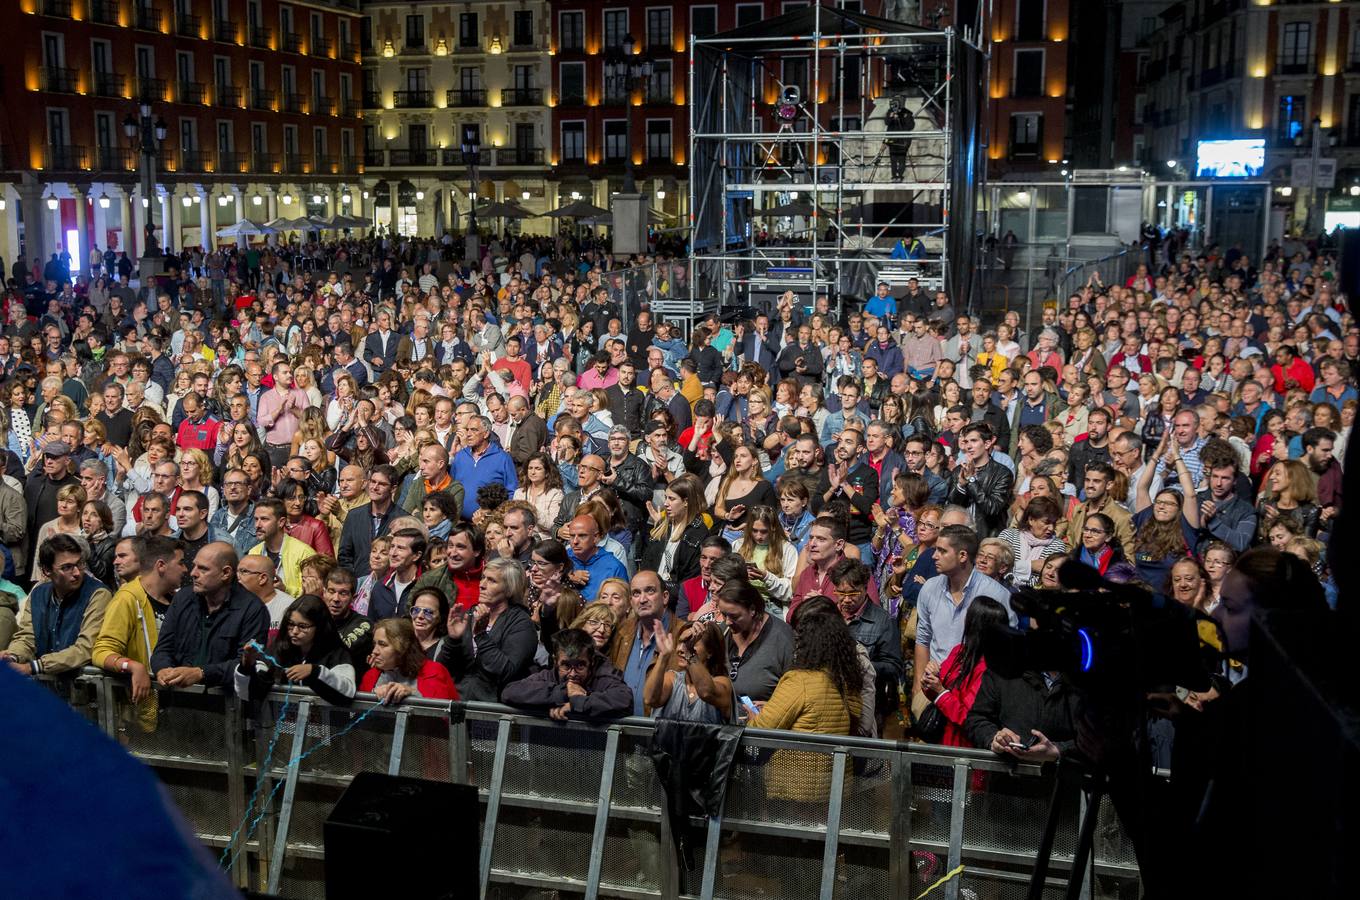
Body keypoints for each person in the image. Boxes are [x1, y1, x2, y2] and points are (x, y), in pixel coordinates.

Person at [748, 605, 864, 801]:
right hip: (834, 789)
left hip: (796, 789)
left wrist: (754, 716)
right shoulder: (847, 680)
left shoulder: (799, 680)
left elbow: (763, 729)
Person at [912, 525, 1015, 702]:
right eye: (936, 549)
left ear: (962, 556)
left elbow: (1007, 649)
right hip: (933, 687)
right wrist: (918, 687)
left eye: (942, 551)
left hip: (974, 693)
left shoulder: (997, 595)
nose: (934, 556)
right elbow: (923, 638)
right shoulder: (929, 588)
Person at [150, 542, 269, 688]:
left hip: (226, 704)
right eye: (194, 565)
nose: (193, 573)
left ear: (226, 573)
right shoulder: (183, 599)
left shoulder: (252, 609)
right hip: (178, 700)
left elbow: (246, 664)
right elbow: (163, 648)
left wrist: (202, 673)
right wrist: (162, 669)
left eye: (203, 569)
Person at [0, 535, 112, 676]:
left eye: (80, 564)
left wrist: (35, 666)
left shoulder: (98, 594)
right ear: (47, 570)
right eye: (67, 567)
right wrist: (13, 656)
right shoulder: (38, 594)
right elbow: (27, 638)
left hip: (84, 689)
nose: (77, 573)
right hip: (47, 687)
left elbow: (85, 648)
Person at [434, 557, 537, 700]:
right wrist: (453, 640)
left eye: (492, 581)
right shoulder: (469, 615)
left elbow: (506, 671)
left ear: (509, 589)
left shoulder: (521, 623)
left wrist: (481, 635)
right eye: (483, 578)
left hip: (492, 711)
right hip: (456, 703)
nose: (482, 585)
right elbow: (441, 669)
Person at [235, 595, 356, 706]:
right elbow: (248, 694)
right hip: (282, 727)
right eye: (291, 624)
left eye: (303, 626)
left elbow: (347, 693)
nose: (294, 631)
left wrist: (314, 672)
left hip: (327, 727)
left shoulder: (337, 653)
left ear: (319, 627)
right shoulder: (277, 650)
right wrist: (247, 665)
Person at [829, 559, 903, 727]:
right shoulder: (829, 615)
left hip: (866, 704)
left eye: (853, 594)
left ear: (865, 587)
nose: (846, 600)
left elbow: (893, 667)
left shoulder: (882, 620)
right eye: (840, 593)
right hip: (831, 701)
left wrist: (860, 665)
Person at [503, 627, 633, 720]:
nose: (572, 673)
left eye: (580, 665)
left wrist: (576, 704)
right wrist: (563, 692)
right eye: (566, 665)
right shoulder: (548, 676)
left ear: (591, 662)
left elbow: (624, 699)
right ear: (555, 662)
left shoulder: (603, 676)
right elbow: (510, 692)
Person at [611, 569, 689, 715]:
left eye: (650, 591)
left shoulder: (683, 634)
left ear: (665, 597)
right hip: (621, 728)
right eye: (636, 593)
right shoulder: (621, 633)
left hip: (662, 731)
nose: (642, 599)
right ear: (630, 601)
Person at [718, 577, 795, 704]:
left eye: (734, 616)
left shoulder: (783, 639)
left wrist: (774, 707)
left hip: (763, 720)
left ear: (752, 610)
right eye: (724, 614)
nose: (727, 622)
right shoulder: (722, 632)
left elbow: (796, 692)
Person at [644, 618, 734, 723]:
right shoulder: (671, 678)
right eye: (680, 643)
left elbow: (706, 692)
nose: (680, 649)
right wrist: (663, 657)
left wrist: (690, 652)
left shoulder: (723, 683)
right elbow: (650, 699)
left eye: (691, 644)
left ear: (710, 652)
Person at [359, 616, 459, 703]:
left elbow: (444, 717)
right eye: (374, 644)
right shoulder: (370, 676)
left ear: (402, 647)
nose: (375, 651)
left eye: (382, 644)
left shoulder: (434, 672)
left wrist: (412, 693)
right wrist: (373, 696)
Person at [945, 422, 1014, 539]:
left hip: (987, 537)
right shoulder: (958, 470)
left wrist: (971, 480)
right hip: (960, 536)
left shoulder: (1002, 473)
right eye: (966, 442)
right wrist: (961, 485)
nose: (969, 446)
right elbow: (951, 507)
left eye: (974, 441)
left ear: (987, 444)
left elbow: (992, 508)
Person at [451, 415, 519, 520]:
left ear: (486, 433)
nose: (468, 434)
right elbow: (452, 487)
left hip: (489, 522)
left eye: (474, 430)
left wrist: (495, 514)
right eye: (467, 429)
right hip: (460, 522)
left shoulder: (502, 458)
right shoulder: (460, 456)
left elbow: (511, 491)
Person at [337, 464, 400, 578]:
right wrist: (353, 583)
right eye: (373, 482)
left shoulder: (402, 519)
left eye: (382, 484)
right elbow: (344, 556)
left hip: (388, 585)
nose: (375, 487)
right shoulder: (354, 515)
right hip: (357, 584)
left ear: (393, 488)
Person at [996, 495, 1066, 586]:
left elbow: (1044, 579)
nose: (1051, 528)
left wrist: (1014, 567)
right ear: (1031, 520)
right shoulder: (1008, 535)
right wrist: (1030, 566)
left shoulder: (1057, 545)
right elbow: (996, 566)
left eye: (1054, 523)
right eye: (1046, 522)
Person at [247, 498, 311, 597]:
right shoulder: (253, 553)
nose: (257, 525)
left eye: (264, 519)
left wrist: (286, 590)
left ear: (281, 522)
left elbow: (314, 593)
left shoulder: (304, 553)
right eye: (256, 519)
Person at [368, 528, 427, 620]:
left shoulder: (425, 587)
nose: (392, 553)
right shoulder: (380, 587)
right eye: (392, 546)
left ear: (416, 556)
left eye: (400, 548)